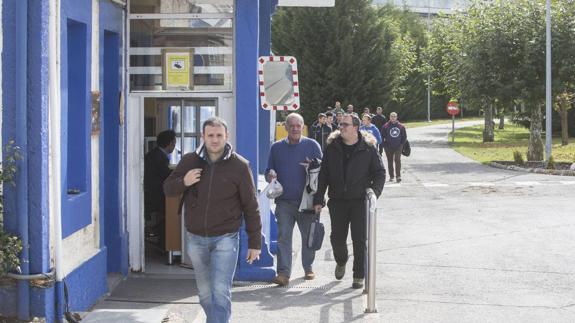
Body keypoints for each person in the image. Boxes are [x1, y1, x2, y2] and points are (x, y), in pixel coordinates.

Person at [163, 117, 261, 323]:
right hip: (196, 238)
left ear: (226, 137)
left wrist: (255, 242)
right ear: (203, 137)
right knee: (205, 293)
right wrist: (184, 181)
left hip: (226, 237)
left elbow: (251, 206)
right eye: (210, 136)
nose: (215, 140)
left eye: (219, 135)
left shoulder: (240, 166)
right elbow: (168, 189)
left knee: (221, 291)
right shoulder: (190, 160)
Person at [313, 114, 385, 289]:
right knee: (337, 239)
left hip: (360, 201)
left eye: (345, 124)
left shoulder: (368, 148)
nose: (341, 127)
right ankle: (341, 260)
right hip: (337, 201)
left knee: (360, 239)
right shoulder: (332, 147)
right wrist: (319, 198)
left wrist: (373, 193)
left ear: (356, 127)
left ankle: (359, 275)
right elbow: (324, 175)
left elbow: (380, 173)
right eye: (340, 124)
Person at [266, 113, 322, 286]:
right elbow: (269, 171)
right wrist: (271, 176)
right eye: (292, 126)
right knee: (284, 237)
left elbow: (323, 172)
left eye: (298, 125)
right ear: (286, 128)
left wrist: (311, 168)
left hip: (307, 202)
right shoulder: (276, 148)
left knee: (308, 237)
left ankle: (308, 267)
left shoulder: (312, 145)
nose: (295, 128)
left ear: (303, 126)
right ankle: (283, 273)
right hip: (284, 202)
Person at [144, 129, 176, 247]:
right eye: (174, 143)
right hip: (154, 196)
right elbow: (167, 177)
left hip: (151, 193)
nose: (174, 146)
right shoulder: (160, 157)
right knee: (173, 212)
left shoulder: (156, 154)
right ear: (170, 143)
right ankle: (163, 242)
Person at [381, 112, 407, 183]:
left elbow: (404, 137)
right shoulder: (385, 126)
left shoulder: (401, 126)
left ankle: (398, 176)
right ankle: (391, 176)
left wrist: (401, 144)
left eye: (394, 116)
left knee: (397, 160)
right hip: (388, 147)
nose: (393, 117)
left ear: (397, 117)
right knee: (390, 161)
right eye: (392, 116)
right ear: (389, 117)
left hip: (398, 146)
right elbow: (382, 136)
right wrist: (384, 145)